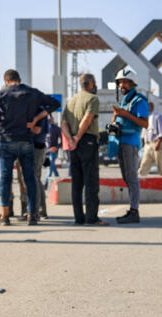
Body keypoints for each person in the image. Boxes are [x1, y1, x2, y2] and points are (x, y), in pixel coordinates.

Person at [0, 69, 60, 226]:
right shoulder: (33, 93)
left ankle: (5, 215)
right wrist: (37, 118)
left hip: (7, 141)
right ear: (19, 79)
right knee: (30, 179)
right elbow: (55, 103)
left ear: (6, 80)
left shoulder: (2, 94)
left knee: (6, 179)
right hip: (27, 142)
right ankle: (32, 215)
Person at [61, 73, 107, 226]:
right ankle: (92, 218)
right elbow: (87, 119)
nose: (95, 86)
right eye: (94, 83)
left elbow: (63, 123)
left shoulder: (71, 101)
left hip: (73, 144)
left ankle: (78, 218)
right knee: (91, 181)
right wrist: (78, 137)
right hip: (86, 141)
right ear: (90, 84)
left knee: (77, 182)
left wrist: (71, 139)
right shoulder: (92, 99)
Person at [109, 69, 149, 224]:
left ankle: (134, 211)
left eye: (125, 82)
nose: (122, 85)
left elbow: (144, 123)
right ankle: (132, 209)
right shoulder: (123, 101)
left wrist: (126, 115)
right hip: (120, 142)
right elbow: (118, 118)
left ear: (132, 83)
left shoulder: (140, 101)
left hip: (130, 143)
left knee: (132, 177)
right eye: (120, 82)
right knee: (126, 177)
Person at [138, 101, 162, 176]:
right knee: (143, 166)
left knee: (161, 167)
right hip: (148, 145)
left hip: (156, 144)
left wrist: (158, 142)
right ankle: (139, 184)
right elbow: (144, 132)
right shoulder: (146, 118)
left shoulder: (157, 116)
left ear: (152, 108)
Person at [44, 119, 61, 189]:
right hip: (46, 152)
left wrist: (56, 147)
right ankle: (58, 180)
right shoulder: (44, 127)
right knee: (52, 167)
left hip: (54, 152)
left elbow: (62, 140)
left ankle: (46, 182)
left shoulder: (56, 128)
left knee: (50, 167)